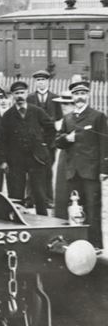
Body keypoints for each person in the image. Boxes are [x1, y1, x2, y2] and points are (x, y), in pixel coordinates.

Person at [55, 79, 108, 247]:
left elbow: (104, 144)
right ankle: (78, 244)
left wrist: (104, 169)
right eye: (77, 94)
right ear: (73, 96)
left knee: (93, 209)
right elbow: (58, 141)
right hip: (73, 171)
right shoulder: (68, 118)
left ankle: (95, 245)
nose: (80, 97)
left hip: (90, 171)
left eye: (83, 94)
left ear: (88, 95)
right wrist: (66, 138)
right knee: (76, 209)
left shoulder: (97, 117)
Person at [0, 80, 55, 215]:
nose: (19, 96)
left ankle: (42, 219)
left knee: (39, 192)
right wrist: (4, 160)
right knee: (16, 192)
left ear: (27, 93)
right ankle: (18, 219)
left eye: (22, 93)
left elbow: (51, 128)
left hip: (36, 159)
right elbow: (1, 140)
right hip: (16, 160)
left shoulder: (37, 111)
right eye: (16, 93)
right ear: (12, 96)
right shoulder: (8, 115)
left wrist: (44, 145)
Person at [27, 70, 61, 201]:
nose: (40, 82)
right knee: (32, 169)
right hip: (33, 141)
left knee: (48, 169)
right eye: (38, 80)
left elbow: (59, 120)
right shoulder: (29, 98)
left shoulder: (55, 98)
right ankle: (30, 198)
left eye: (43, 80)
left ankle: (48, 198)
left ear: (48, 81)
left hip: (50, 141)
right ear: (35, 82)